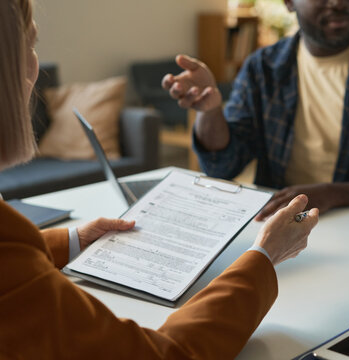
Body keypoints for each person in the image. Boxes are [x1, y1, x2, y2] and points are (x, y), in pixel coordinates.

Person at [0, 0, 319, 358]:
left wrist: (72, 241)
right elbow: (163, 354)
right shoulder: (263, 66)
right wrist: (264, 256)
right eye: (30, 43)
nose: (35, 63)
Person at [162, 0, 349, 219]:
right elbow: (223, 165)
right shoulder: (263, 67)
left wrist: (333, 194)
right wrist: (209, 111)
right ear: (289, 2)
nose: (339, 2)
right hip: (280, 223)